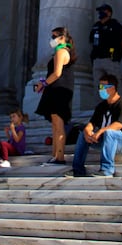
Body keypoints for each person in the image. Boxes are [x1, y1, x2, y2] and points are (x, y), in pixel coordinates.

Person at [67, 73, 122, 178]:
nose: (101, 90)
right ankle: (78, 169)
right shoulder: (101, 106)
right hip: (106, 141)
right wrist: (87, 131)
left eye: (103, 87)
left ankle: (107, 169)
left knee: (109, 132)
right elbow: (92, 123)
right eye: (100, 87)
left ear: (113, 88)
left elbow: (120, 124)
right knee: (82, 134)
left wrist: (100, 131)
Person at [35, 26, 76, 166]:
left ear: (62, 38)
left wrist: (43, 84)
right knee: (55, 125)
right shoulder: (64, 52)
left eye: (54, 36)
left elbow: (57, 73)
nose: (52, 39)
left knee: (58, 125)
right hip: (59, 89)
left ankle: (59, 156)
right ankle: (55, 155)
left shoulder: (61, 52)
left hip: (59, 90)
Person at [89, 4, 122, 81]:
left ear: (109, 13)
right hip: (97, 60)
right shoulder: (96, 26)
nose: (101, 12)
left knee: (114, 84)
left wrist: (117, 54)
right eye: (100, 11)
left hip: (110, 60)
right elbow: (91, 42)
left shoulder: (115, 25)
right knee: (98, 86)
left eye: (103, 10)